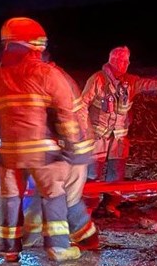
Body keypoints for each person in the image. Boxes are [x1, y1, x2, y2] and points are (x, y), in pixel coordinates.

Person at [0, 17, 88, 263]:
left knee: (10, 199)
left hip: (7, 154)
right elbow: (66, 112)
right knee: (53, 196)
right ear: (35, 44)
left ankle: (10, 250)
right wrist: (72, 145)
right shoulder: (47, 73)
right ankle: (57, 247)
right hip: (43, 153)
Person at [22, 51, 101, 251]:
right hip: (70, 149)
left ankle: (84, 240)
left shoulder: (46, 80)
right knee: (49, 193)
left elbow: (58, 119)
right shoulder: (55, 76)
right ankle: (26, 236)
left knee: (64, 198)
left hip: (68, 152)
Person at [82, 46, 157, 183]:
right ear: (114, 61)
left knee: (116, 175)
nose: (127, 64)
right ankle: (89, 204)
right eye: (124, 61)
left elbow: (151, 85)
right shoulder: (97, 80)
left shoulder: (131, 81)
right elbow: (82, 105)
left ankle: (111, 203)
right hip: (97, 138)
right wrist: (85, 131)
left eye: (127, 61)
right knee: (92, 174)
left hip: (118, 138)